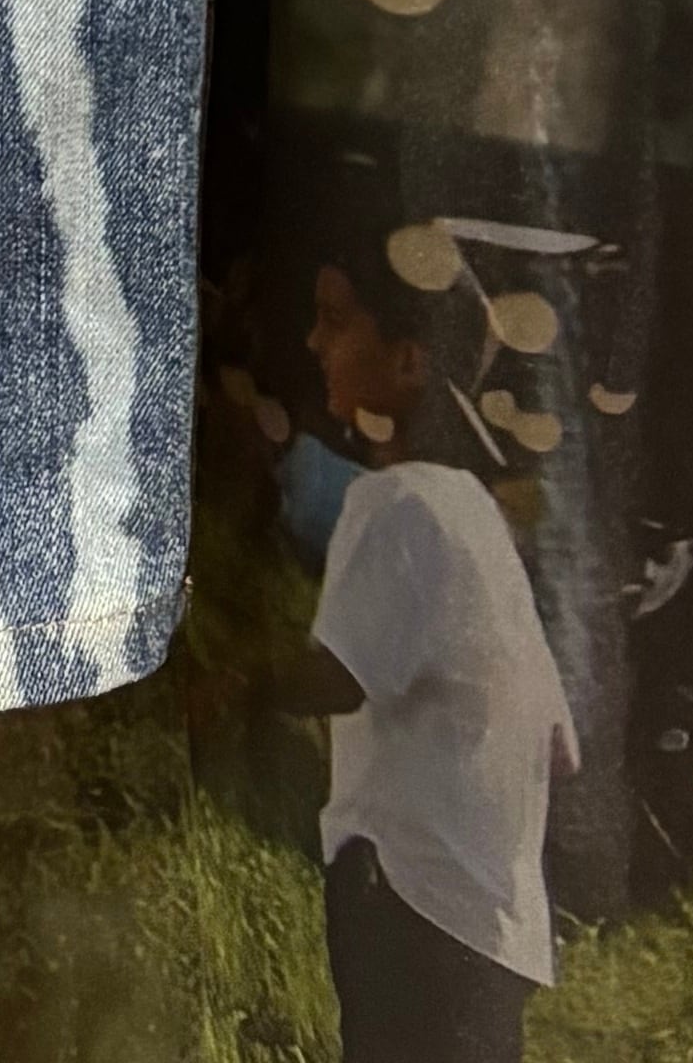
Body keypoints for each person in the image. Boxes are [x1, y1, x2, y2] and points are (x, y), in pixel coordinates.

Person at [284, 252, 577, 1060]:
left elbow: (337, 677)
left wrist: (230, 680)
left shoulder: (396, 502)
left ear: (408, 359)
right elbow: (560, 747)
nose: (314, 342)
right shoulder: (474, 512)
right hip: (492, 920)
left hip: (406, 895)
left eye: (335, 321)